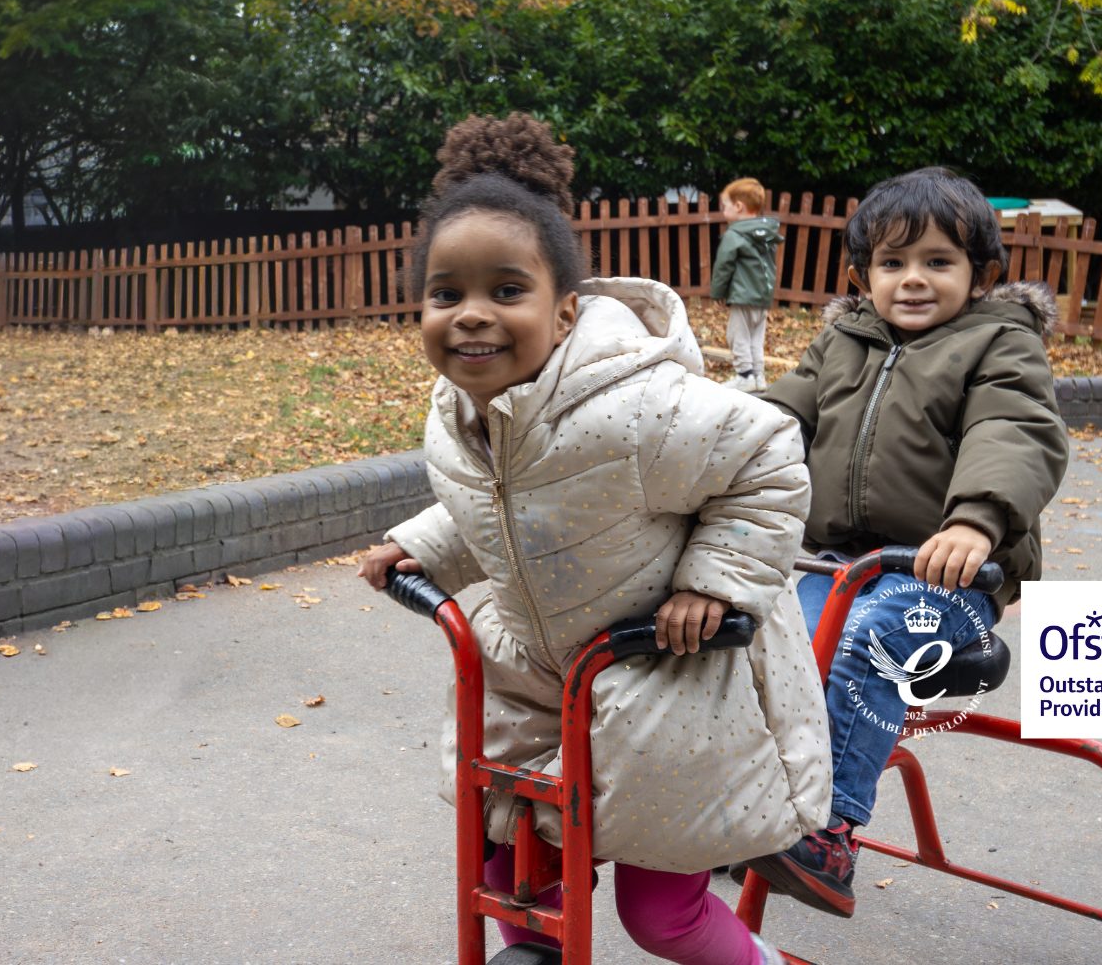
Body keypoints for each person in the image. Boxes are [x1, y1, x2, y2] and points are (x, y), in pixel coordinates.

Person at [356, 113, 831, 965]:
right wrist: (425, 546)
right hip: (537, 681)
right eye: (445, 294)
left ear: (566, 309)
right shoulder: (456, 413)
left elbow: (765, 452)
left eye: (506, 292)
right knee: (511, 878)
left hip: (669, 681)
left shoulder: (635, 408)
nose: (471, 317)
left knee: (662, 915)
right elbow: (505, 504)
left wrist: (714, 583)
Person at [745, 166, 1068, 919]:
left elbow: (1013, 430)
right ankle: (753, 805)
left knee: (868, 641)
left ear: (982, 274)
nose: (913, 280)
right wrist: (706, 456)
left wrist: (975, 520)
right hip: (841, 561)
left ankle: (827, 831)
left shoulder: (1001, 343)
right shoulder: (843, 341)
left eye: (937, 262)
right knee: (760, 640)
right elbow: (774, 420)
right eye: (892, 264)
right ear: (861, 278)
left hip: (950, 578)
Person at [709, 179, 784, 392]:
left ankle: (744, 376)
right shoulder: (766, 234)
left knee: (737, 335)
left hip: (743, 296)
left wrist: (718, 293)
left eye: (725, 206)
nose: (723, 211)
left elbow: (724, 265)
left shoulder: (735, 234)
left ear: (739, 206)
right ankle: (758, 377)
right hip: (762, 296)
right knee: (755, 338)